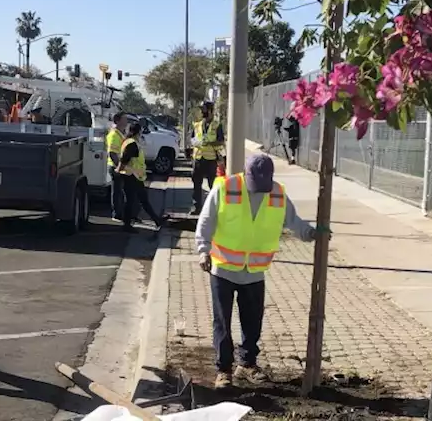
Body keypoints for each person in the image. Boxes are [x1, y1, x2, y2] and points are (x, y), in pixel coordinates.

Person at [195, 154, 322, 389]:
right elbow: (206, 221)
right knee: (222, 322)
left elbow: (294, 221)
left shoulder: (277, 193)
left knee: (253, 322)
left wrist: (312, 233)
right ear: (246, 174)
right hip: (223, 269)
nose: (260, 189)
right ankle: (224, 370)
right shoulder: (225, 188)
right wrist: (203, 251)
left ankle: (247, 364)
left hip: (254, 271)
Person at [117, 122, 165, 232]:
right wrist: (119, 169)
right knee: (132, 201)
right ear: (137, 132)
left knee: (140, 200)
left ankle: (157, 220)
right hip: (131, 176)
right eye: (140, 131)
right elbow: (124, 159)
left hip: (134, 176)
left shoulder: (129, 142)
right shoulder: (132, 144)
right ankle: (127, 225)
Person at [190, 101, 225, 215]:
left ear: (210, 110)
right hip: (198, 158)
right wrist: (194, 143)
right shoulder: (197, 124)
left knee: (212, 185)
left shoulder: (217, 125)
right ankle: (196, 208)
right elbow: (192, 139)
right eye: (201, 110)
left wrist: (209, 143)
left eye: (204, 109)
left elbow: (221, 142)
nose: (202, 112)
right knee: (196, 184)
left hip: (211, 160)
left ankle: (213, 209)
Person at [105, 112, 128, 221]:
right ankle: (117, 214)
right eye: (124, 119)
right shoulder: (114, 134)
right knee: (117, 191)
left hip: (120, 166)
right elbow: (112, 153)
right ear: (117, 121)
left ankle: (121, 213)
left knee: (120, 191)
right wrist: (119, 167)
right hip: (115, 166)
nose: (126, 121)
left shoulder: (121, 133)